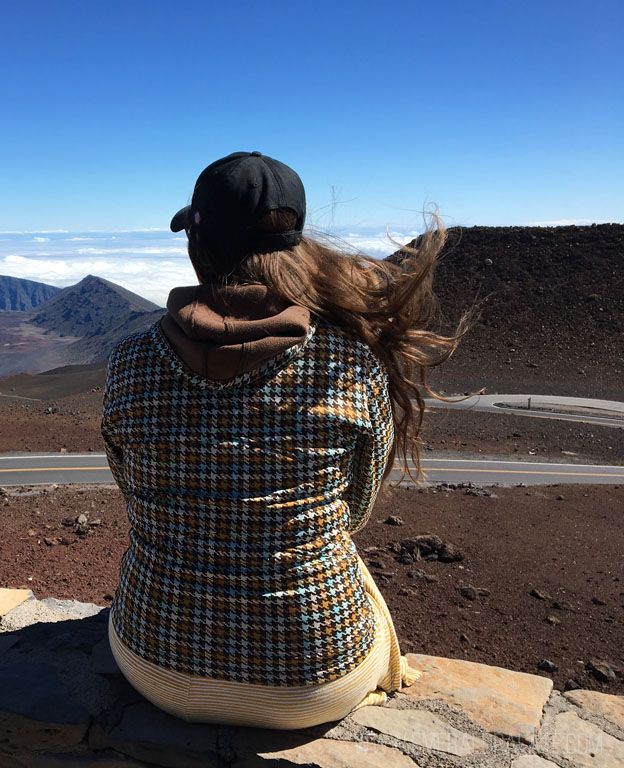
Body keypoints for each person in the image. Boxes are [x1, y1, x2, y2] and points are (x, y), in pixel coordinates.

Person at [101, 151, 469, 729]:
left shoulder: (129, 362)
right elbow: (354, 510)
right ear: (295, 245)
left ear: (197, 243)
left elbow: (133, 489)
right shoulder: (348, 362)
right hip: (316, 684)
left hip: (156, 667)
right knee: (339, 561)